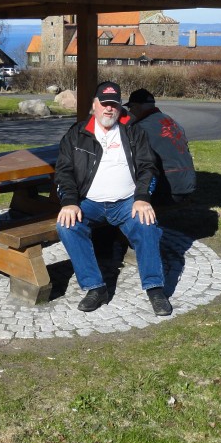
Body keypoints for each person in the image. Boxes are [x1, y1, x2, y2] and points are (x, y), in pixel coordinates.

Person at [54, 81, 173, 316]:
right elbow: (63, 171)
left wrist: (142, 197)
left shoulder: (133, 132)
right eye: (104, 103)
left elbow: (148, 167)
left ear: (119, 108)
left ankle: (155, 288)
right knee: (67, 226)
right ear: (94, 105)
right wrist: (69, 201)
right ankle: (95, 287)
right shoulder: (76, 134)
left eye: (114, 104)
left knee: (146, 224)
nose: (109, 108)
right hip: (90, 202)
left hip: (126, 202)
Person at [123, 89, 196, 206]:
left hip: (169, 187)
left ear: (136, 106)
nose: (130, 112)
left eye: (130, 108)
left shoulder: (141, 128)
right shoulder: (171, 121)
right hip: (188, 182)